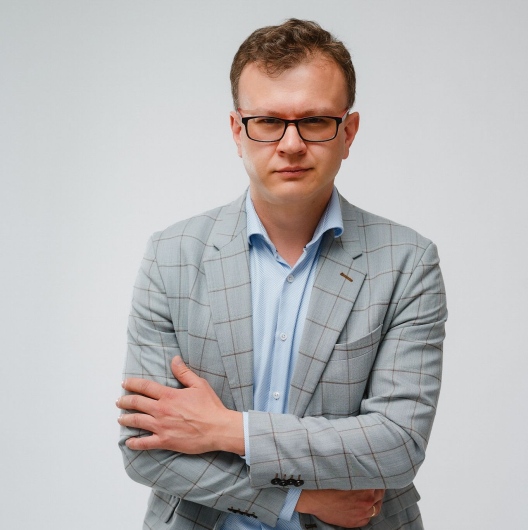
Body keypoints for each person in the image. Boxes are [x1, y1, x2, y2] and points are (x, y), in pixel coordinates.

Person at [117, 18, 447, 530]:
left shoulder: (407, 261)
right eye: (268, 121)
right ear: (237, 130)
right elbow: (146, 449)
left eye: (314, 121)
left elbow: (398, 444)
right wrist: (297, 500)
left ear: (348, 132)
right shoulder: (172, 256)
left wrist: (230, 430)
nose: (291, 144)